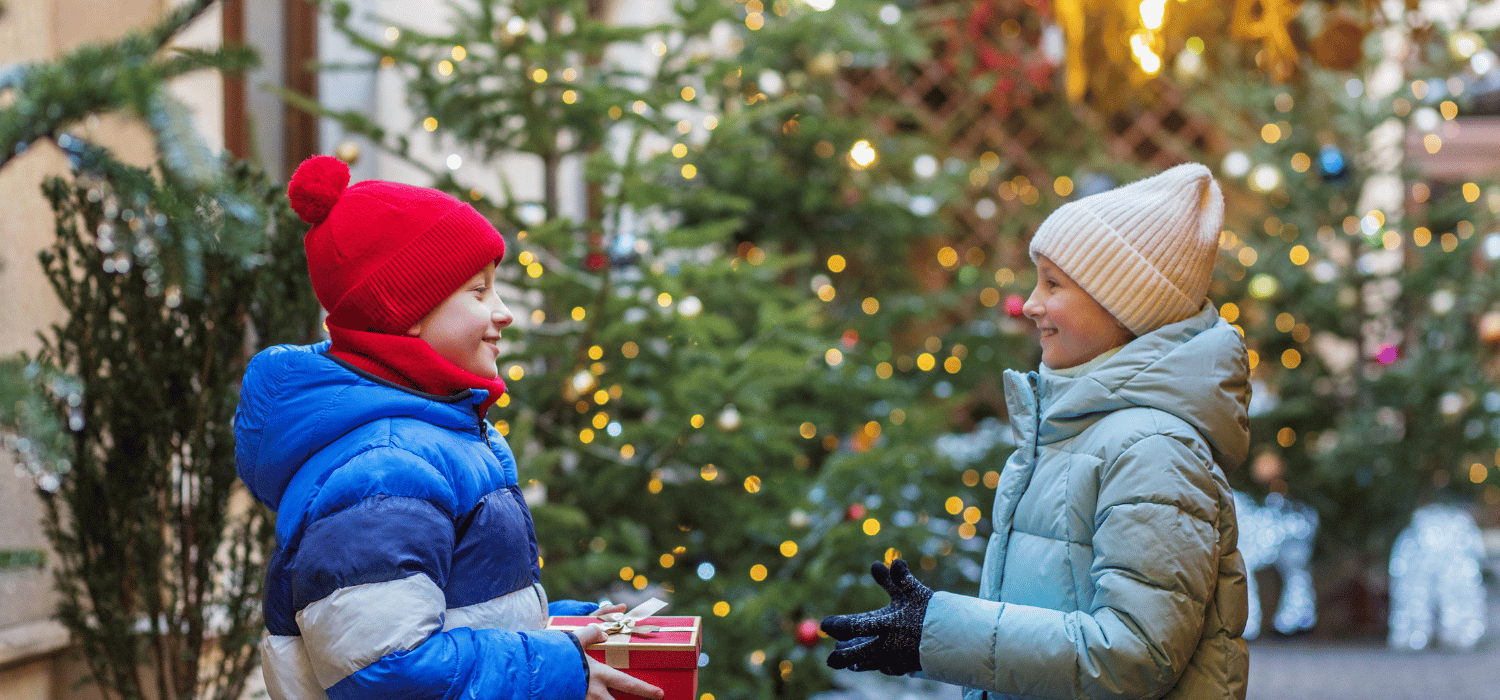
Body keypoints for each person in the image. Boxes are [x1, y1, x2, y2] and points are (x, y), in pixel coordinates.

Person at [235, 155, 663, 700]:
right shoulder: (387, 469)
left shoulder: (437, 437)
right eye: (478, 291)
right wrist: (553, 668)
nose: (503, 312)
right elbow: (387, 667)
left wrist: (560, 629)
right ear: (407, 311)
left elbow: (444, 613)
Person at [821, 163, 1250, 700]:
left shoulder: (1153, 450)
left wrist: (940, 631)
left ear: (1123, 306)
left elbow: (1136, 653)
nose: (1031, 304)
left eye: (1054, 283)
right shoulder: (1076, 428)